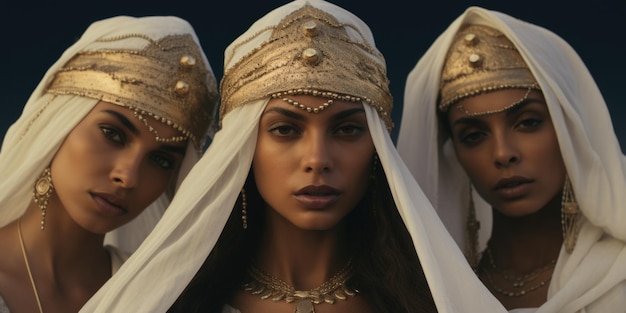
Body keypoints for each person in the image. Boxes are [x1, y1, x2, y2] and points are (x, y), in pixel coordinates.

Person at [80, 1, 509, 313]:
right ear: (245, 149)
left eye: (347, 130)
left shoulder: (432, 302)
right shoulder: (171, 302)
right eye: (286, 129)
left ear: (377, 149)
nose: (317, 158)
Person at [397, 6, 626, 313]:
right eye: (474, 136)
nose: (503, 153)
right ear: (453, 154)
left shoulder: (617, 277)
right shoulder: (429, 290)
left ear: (569, 129)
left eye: (528, 122)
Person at [0, 16, 218, 313]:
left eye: (161, 160)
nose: (128, 177)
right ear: (59, 121)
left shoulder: (166, 297)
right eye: (112, 134)